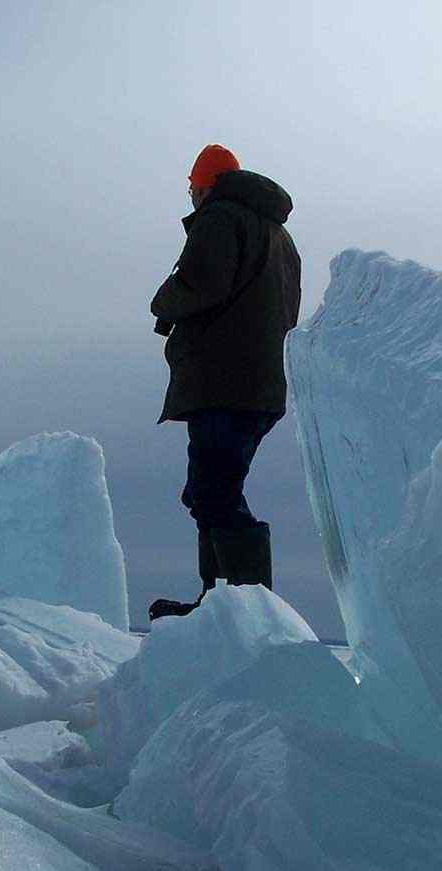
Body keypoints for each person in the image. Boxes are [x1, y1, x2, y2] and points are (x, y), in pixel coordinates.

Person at [146, 144, 302, 621]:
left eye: (193, 186)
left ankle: (246, 609)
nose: (191, 194)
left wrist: (163, 302)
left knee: (214, 491)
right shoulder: (280, 237)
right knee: (211, 489)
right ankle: (220, 603)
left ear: (206, 184)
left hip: (223, 382)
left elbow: (201, 284)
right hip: (261, 385)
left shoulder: (221, 219)